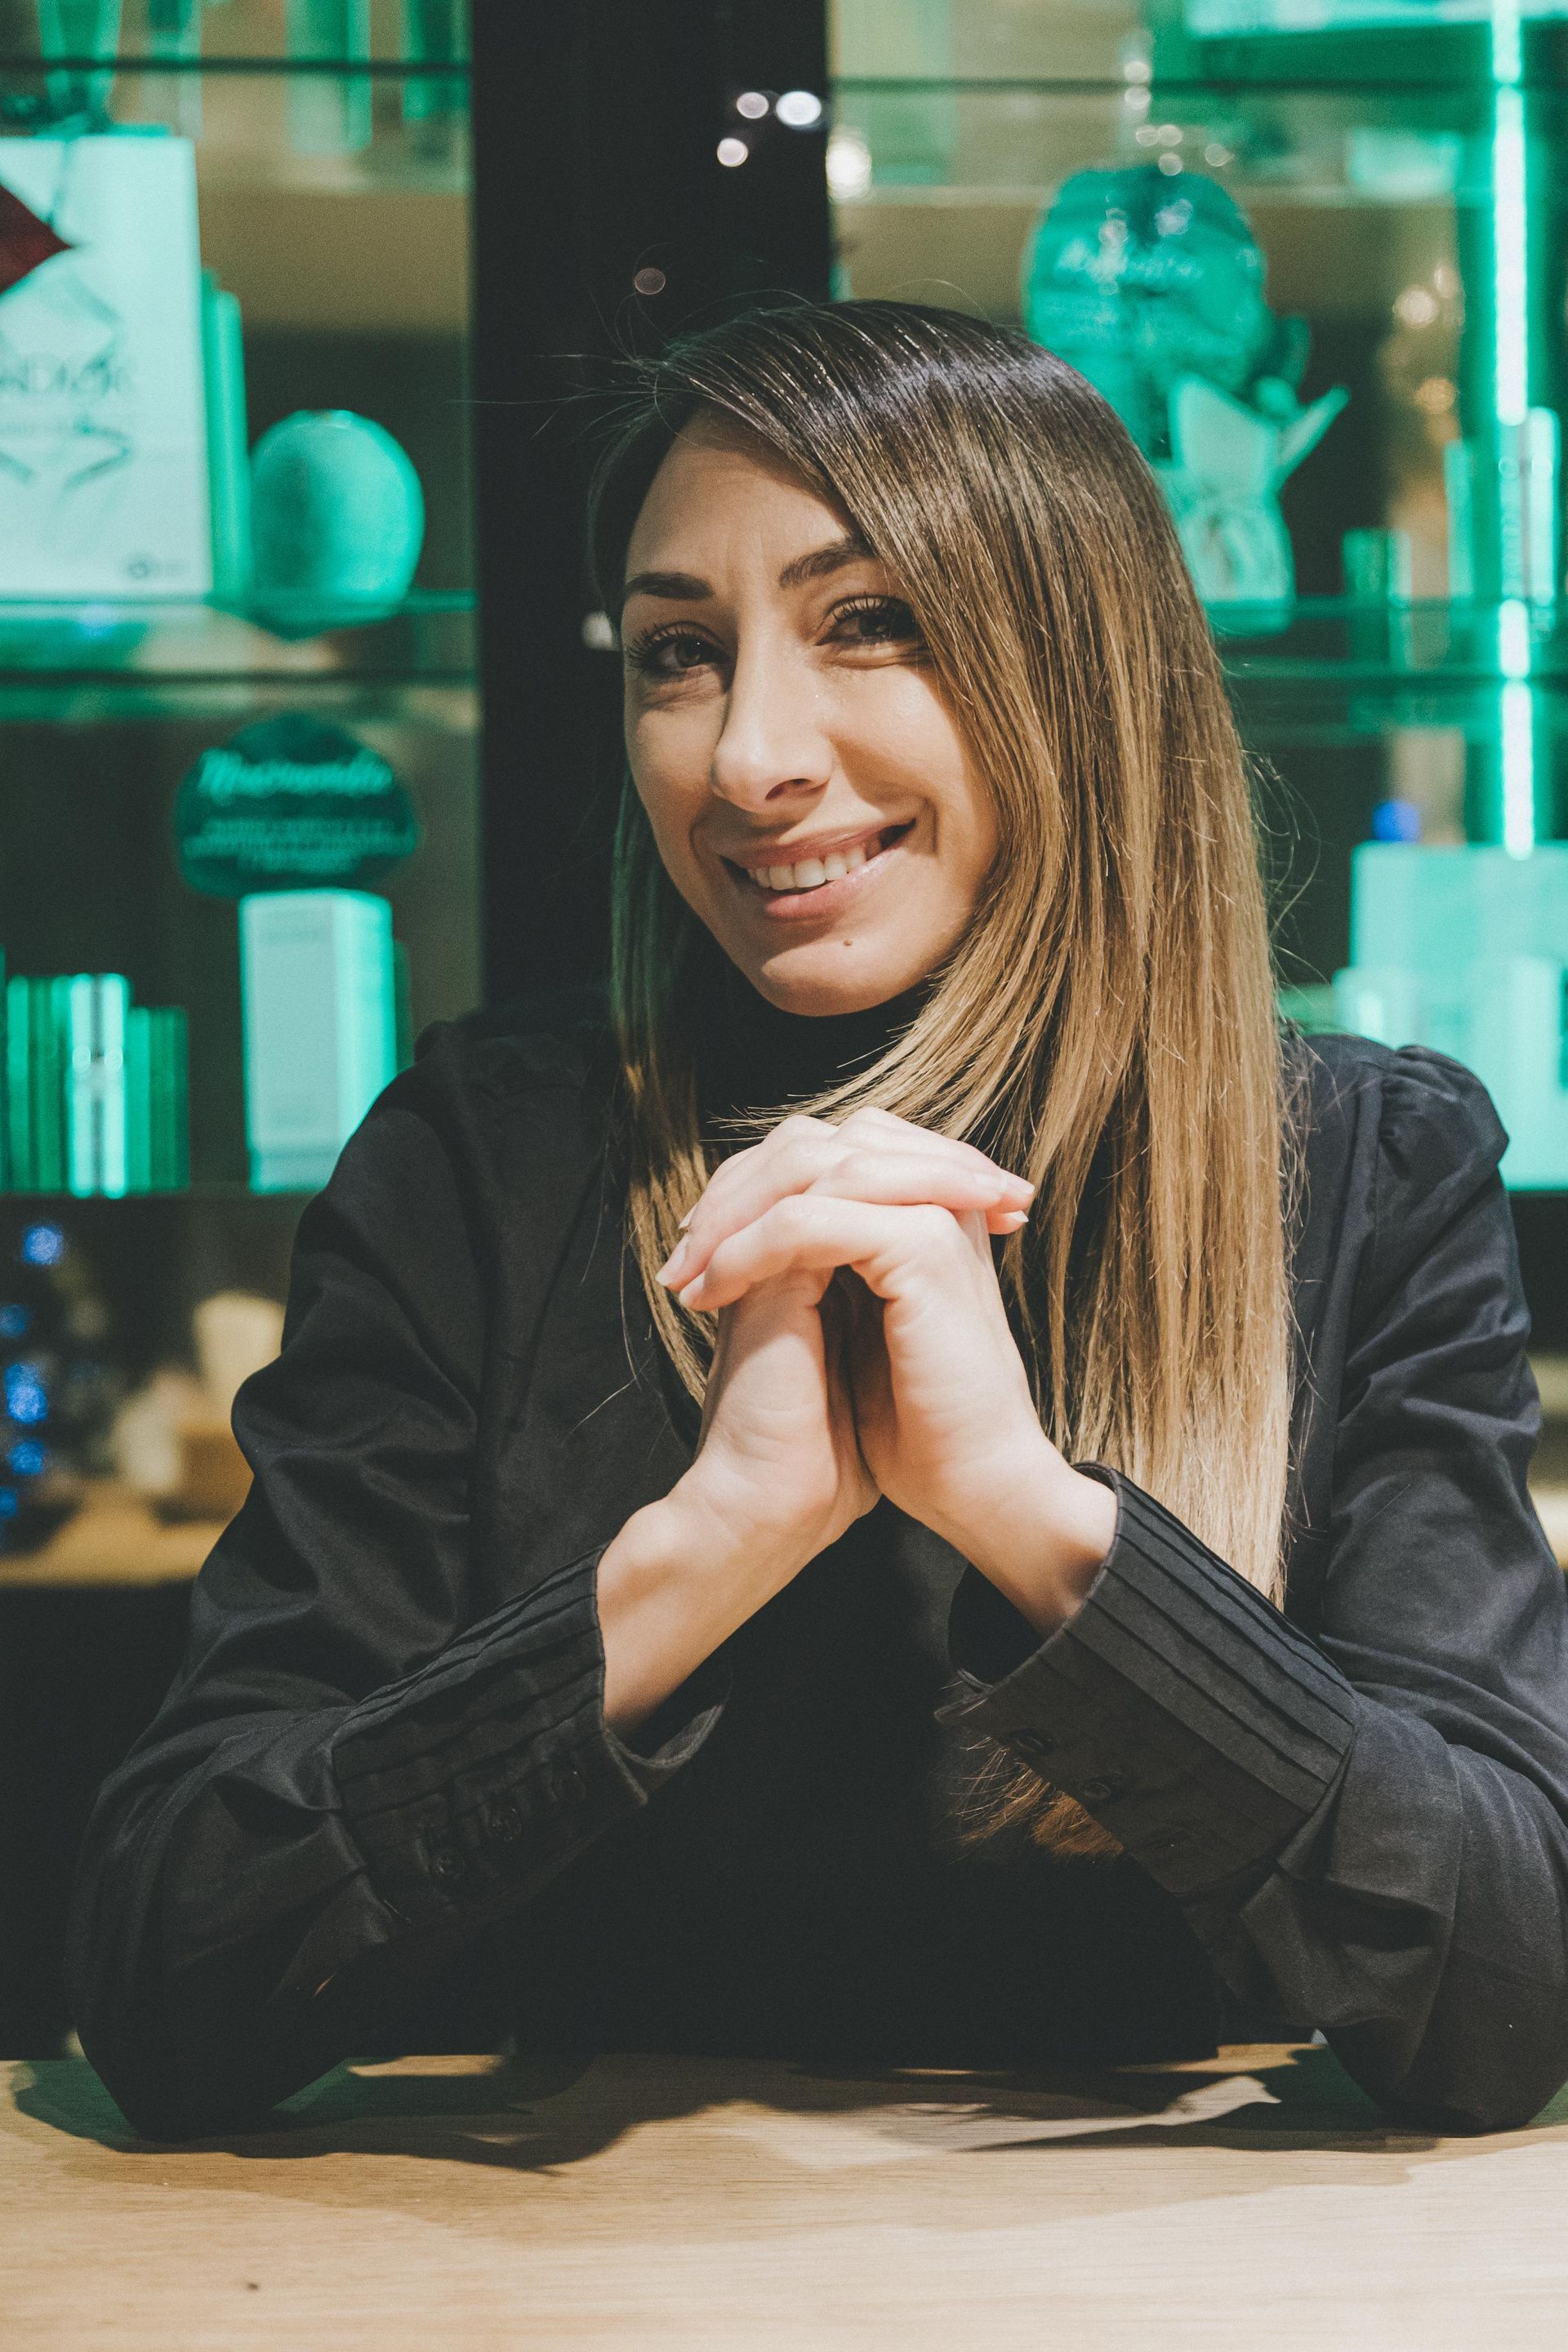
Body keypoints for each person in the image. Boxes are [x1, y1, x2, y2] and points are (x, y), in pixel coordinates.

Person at [69, 303, 1568, 2140]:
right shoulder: (489, 1156)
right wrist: (703, 1548)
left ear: (1080, 675)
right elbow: (165, 1973)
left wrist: (1038, 1523)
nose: (744, 756)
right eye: (678, 653)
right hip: (550, 2282)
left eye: (871, 624)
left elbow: (1507, 1999)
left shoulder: (1359, 1170)